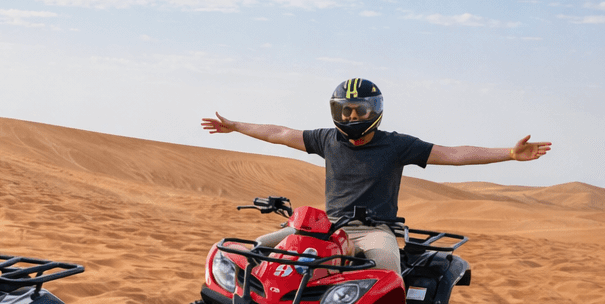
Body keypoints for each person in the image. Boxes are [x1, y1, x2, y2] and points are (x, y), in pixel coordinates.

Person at [201, 78, 553, 274]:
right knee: (258, 251)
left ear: (375, 112)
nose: (351, 116)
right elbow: (278, 132)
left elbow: (453, 154)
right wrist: (235, 126)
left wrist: (507, 153)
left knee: (386, 267)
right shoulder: (328, 139)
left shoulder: (396, 145)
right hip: (326, 228)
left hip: (373, 231)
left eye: (359, 110)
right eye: (345, 109)